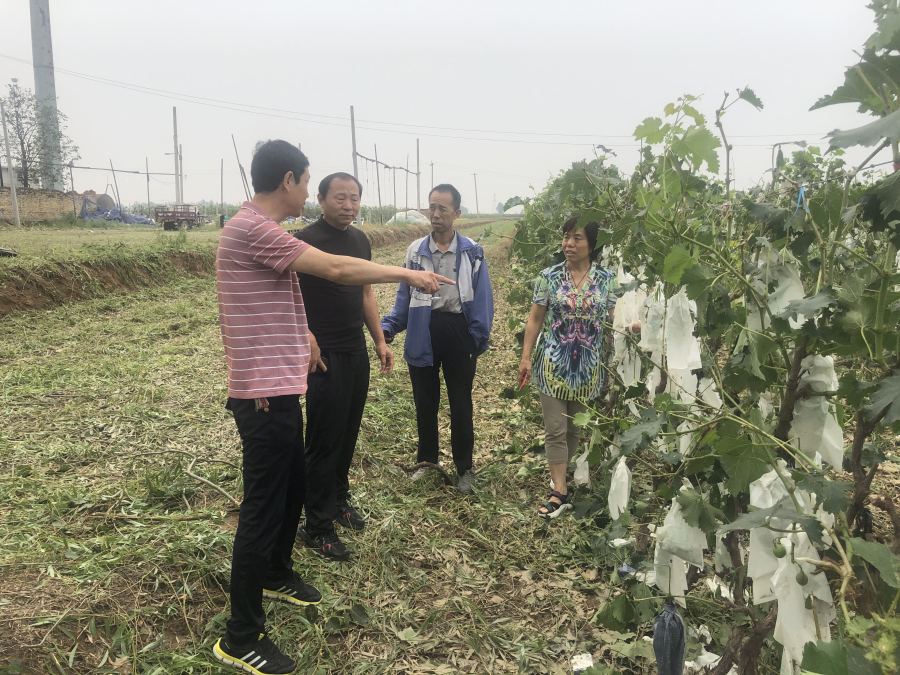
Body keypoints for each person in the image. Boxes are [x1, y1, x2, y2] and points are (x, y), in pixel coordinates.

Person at [214, 140, 451, 675]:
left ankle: (276, 572)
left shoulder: (258, 229)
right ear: (290, 180)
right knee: (262, 509)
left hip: (281, 386)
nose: (308, 192)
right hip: (261, 394)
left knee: (293, 485)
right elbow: (337, 271)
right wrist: (407, 275)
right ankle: (240, 635)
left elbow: (280, 295)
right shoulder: (253, 228)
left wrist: (304, 336)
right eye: (307, 182)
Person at [293, 172, 393, 562]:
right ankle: (316, 525)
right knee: (323, 441)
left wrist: (379, 340)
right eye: (340, 198)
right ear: (320, 199)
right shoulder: (304, 241)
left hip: (354, 350)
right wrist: (305, 334)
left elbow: (365, 292)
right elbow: (288, 297)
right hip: (324, 356)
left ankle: (337, 498)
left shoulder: (360, 240)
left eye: (354, 198)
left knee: (347, 433)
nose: (348, 205)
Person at [381, 184, 494, 494]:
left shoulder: (472, 251)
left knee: (461, 403)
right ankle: (427, 461)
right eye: (432, 207)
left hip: (459, 331)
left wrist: (476, 336)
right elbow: (404, 296)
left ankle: (464, 468)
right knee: (425, 401)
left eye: (443, 208)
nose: (435, 213)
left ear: (456, 213)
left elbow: (482, 298)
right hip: (423, 328)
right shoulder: (415, 251)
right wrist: (389, 327)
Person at [517, 217, 623, 518]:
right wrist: (526, 357)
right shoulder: (549, 277)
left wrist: (639, 325)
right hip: (553, 363)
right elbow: (535, 319)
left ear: (592, 244)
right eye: (566, 236)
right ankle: (560, 490)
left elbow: (616, 317)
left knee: (574, 429)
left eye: (577, 238)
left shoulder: (606, 279)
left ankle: (560, 478)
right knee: (555, 428)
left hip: (587, 367)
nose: (569, 243)